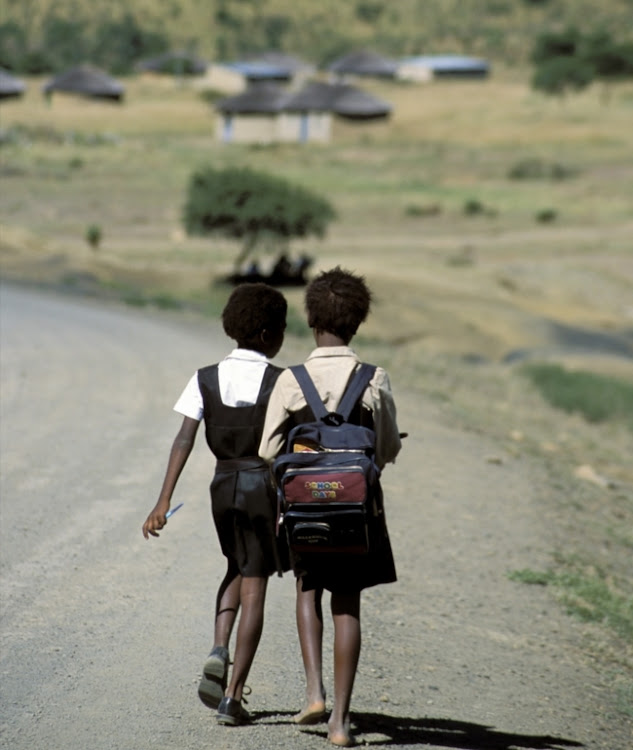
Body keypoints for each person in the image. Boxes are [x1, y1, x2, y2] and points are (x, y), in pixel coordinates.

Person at [259, 267, 402, 747]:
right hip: (357, 512)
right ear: (357, 323)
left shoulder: (292, 380)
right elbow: (385, 451)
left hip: (305, 512)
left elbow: (267, 450)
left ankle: (313, 693)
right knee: (348, 603)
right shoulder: (374, 378)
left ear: (310, 320)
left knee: (307, 590)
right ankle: (341, 723)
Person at [142, 283, 289, 727]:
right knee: (257, 582)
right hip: (261, 484)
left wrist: (162, 500)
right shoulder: (280, 380)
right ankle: (233, 695)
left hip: (222, 484)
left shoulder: (205, 376)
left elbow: (184, 437)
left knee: (235, 566)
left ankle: (218, 648)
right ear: (268, 335)